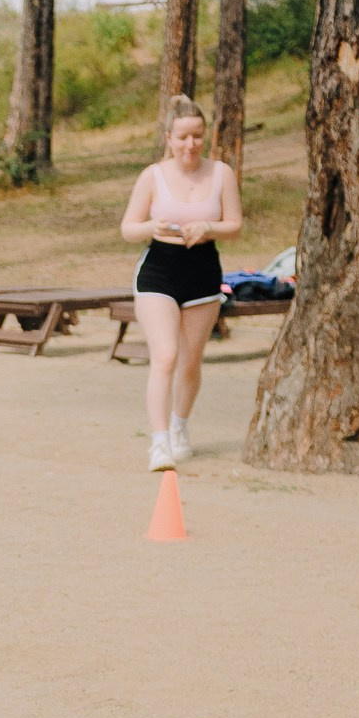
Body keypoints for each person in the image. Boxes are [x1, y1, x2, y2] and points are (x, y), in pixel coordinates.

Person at [119, 95, 242, 471]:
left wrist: (208, 227)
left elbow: (235, 225)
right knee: (166, 355)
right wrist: (150, 228)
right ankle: (158, 444)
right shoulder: (152, 176)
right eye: (183, 137)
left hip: (203, 270)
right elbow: (128, 228)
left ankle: (179, 427)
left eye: (198, 137)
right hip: (159, 269)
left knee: (191, 360)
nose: (191, 145)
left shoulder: (222, 173)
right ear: (169, 138)